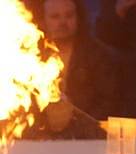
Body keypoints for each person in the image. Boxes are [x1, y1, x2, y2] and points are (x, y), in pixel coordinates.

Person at [31, 0, 121, 138]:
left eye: (69, 15)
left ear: (78, 17)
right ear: (43, 20)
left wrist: (74, 122)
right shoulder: (28, 56)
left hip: (87, 141)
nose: (63, 22)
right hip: (37, 141)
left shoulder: (99, 55)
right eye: (55, 17)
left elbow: (110, 102)